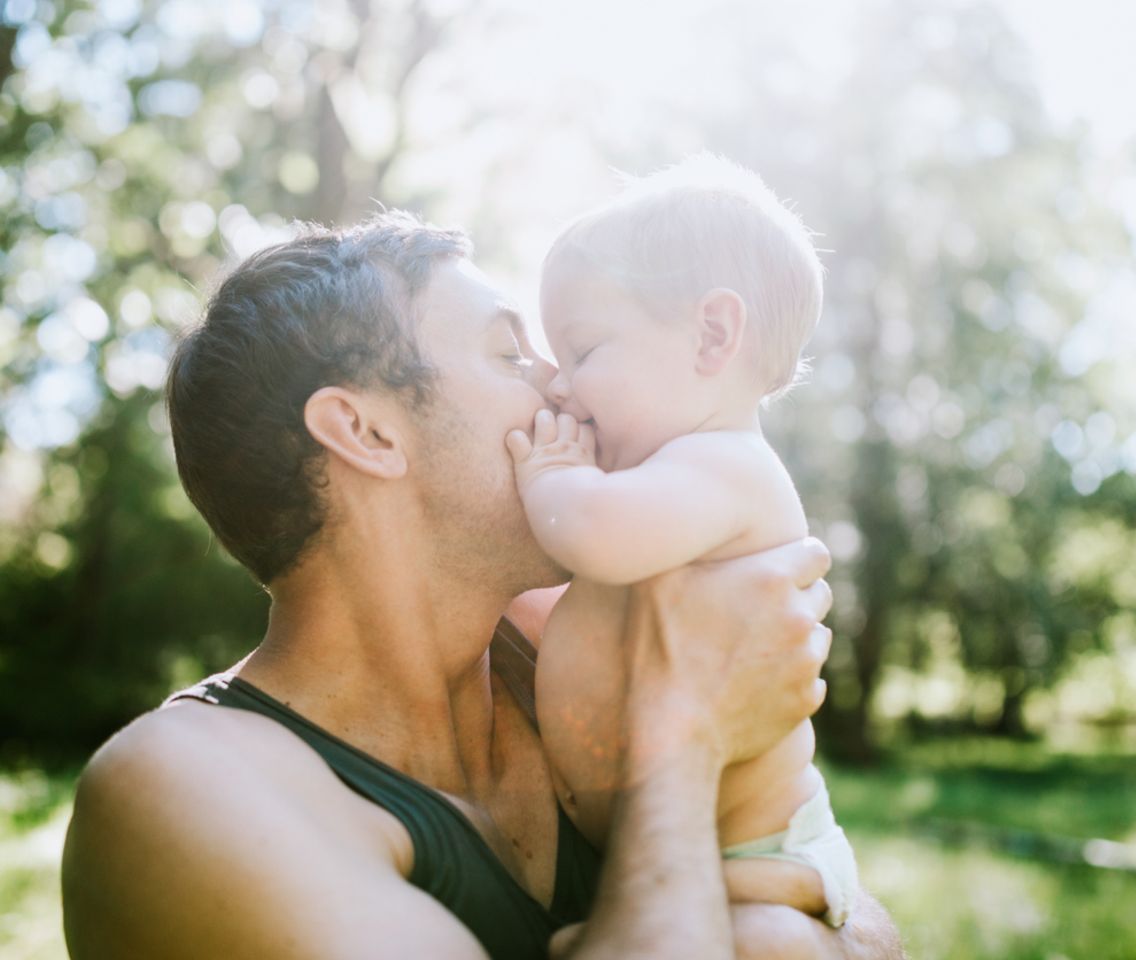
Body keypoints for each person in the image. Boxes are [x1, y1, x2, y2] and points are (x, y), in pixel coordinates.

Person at [59, 212, 905, 960]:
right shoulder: (183, 793)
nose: (563, 385)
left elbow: (859, 915)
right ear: (364, 432)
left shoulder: (574, 640)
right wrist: (680, 746)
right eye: (511, 352)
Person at [507, 156, 858, 928]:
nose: (559, 387)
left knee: (767, 947)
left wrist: (553, 475)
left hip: (759, 856)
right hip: (690, 850)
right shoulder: (676, 475)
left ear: (712, 335)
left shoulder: (722, 467)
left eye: (585, 352)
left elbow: (590, 534)